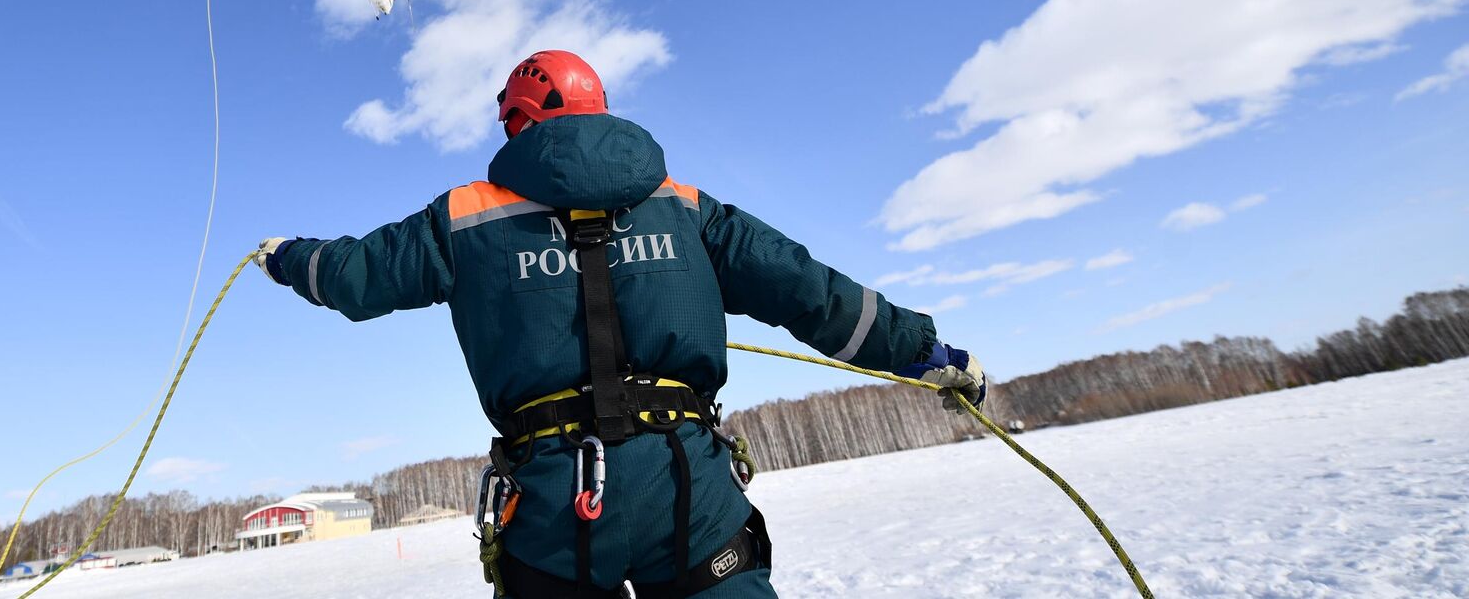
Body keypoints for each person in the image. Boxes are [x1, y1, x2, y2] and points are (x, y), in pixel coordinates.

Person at [256, 50, 987, 598]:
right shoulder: (687, 206)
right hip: (688, 486)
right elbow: (811, 291)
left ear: (518, 120)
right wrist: (925, 352)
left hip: (552, 503)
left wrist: (287, 257)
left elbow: (353, 277)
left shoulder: (463, 218)